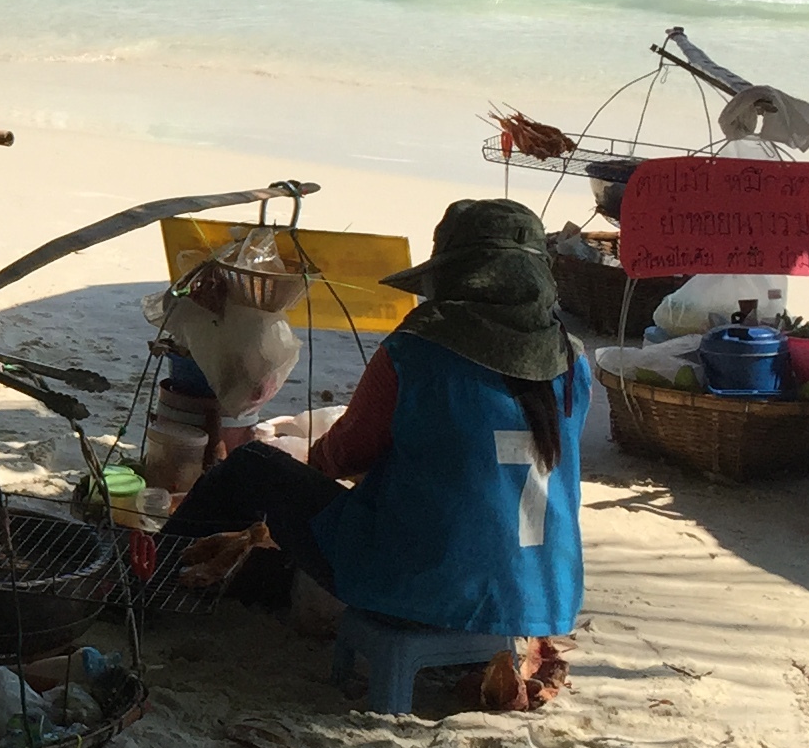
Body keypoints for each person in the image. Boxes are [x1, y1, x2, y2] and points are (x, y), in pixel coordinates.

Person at [161, 198, 591, 645]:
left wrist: (307, 462)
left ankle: (139, 582)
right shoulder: (575, 362)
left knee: (252, 467)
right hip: (544, 599)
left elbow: (345, 453)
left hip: (422, 584)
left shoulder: (417, 351)